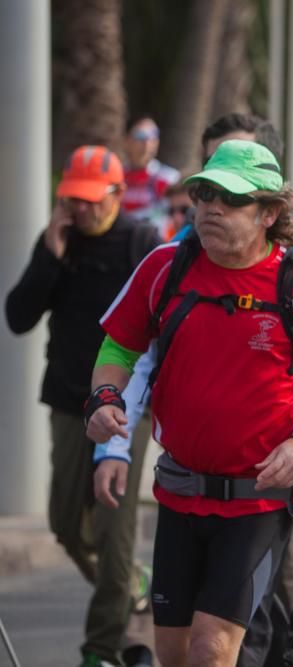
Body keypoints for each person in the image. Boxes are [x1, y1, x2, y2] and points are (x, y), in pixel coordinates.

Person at [85, 139, 293, 666]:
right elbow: (119, 345)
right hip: (179, 492)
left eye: (231, 199)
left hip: (258, 501)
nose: (212, 207)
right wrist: (104, 397)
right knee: (172, 654)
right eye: (205, 193)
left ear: (269, 212)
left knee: (213, 650)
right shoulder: (164, 267)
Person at [5, 145, 161, 667]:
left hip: (124, 407)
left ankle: (102, 647)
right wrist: (49, 253)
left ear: (118, 194)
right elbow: (18, 316)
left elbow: (160, 326)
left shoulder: (141, 242)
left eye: (93, 200)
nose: (84, 209)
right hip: (70, 403)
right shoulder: (61, 243)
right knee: (66, 525)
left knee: (115, 534)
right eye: (74, 199)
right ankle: (131, 585)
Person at [120, 115, 180, 234]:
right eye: (140, 136)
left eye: (154, 135)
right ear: (126, 140)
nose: (147, 143)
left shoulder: (169, 178)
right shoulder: (116, 177)